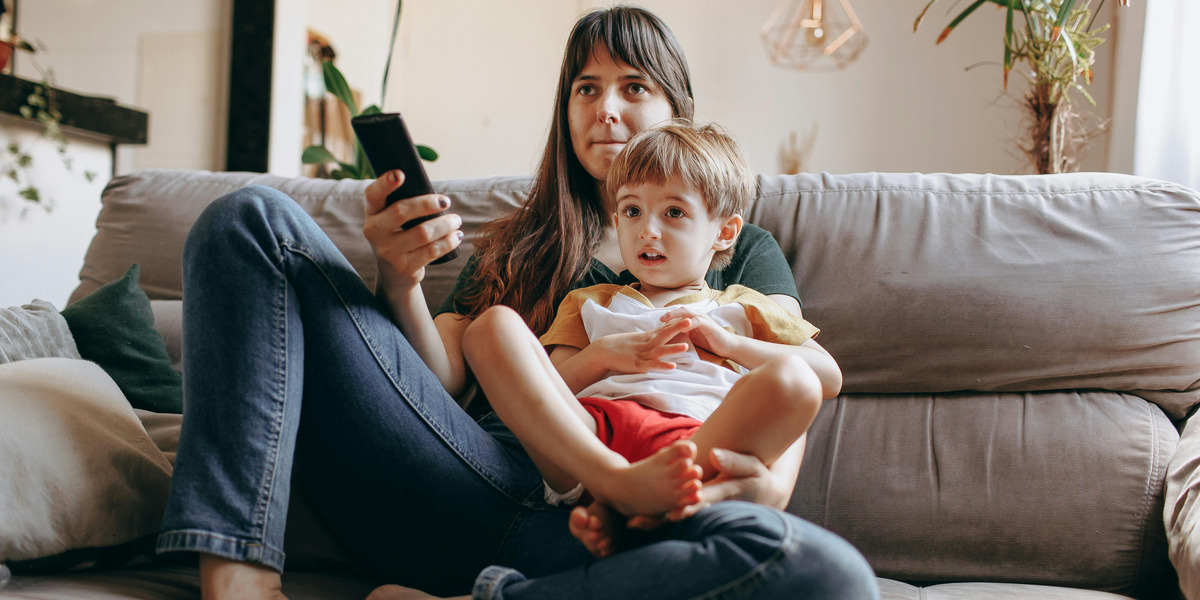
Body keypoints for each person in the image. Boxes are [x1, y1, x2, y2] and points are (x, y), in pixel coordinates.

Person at [157, 5, 879, 600]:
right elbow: (439, 382)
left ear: (676, 110)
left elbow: (788, 383)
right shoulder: (519, 241)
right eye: (586, 89)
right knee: (249, 219)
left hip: (622, 526)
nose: (607, 110)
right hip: (469, 480)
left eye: (634, 87)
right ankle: (240, 580)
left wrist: (765, 491)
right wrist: (399, 279)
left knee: (830, 576)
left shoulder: (736, 246)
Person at [464, 121, 839, 559]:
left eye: (674, 213)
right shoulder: (591, 301)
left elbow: (828, 377)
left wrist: (729, 344)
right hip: (591, 443)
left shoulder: (744, 307)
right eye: (632, 211)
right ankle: (617, 487)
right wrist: (602, 355)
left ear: (724, 232)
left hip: (694, 447)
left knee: (796, 380)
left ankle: (629, 513)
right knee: (490, 328)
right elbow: (550, 388)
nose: (647, 231)